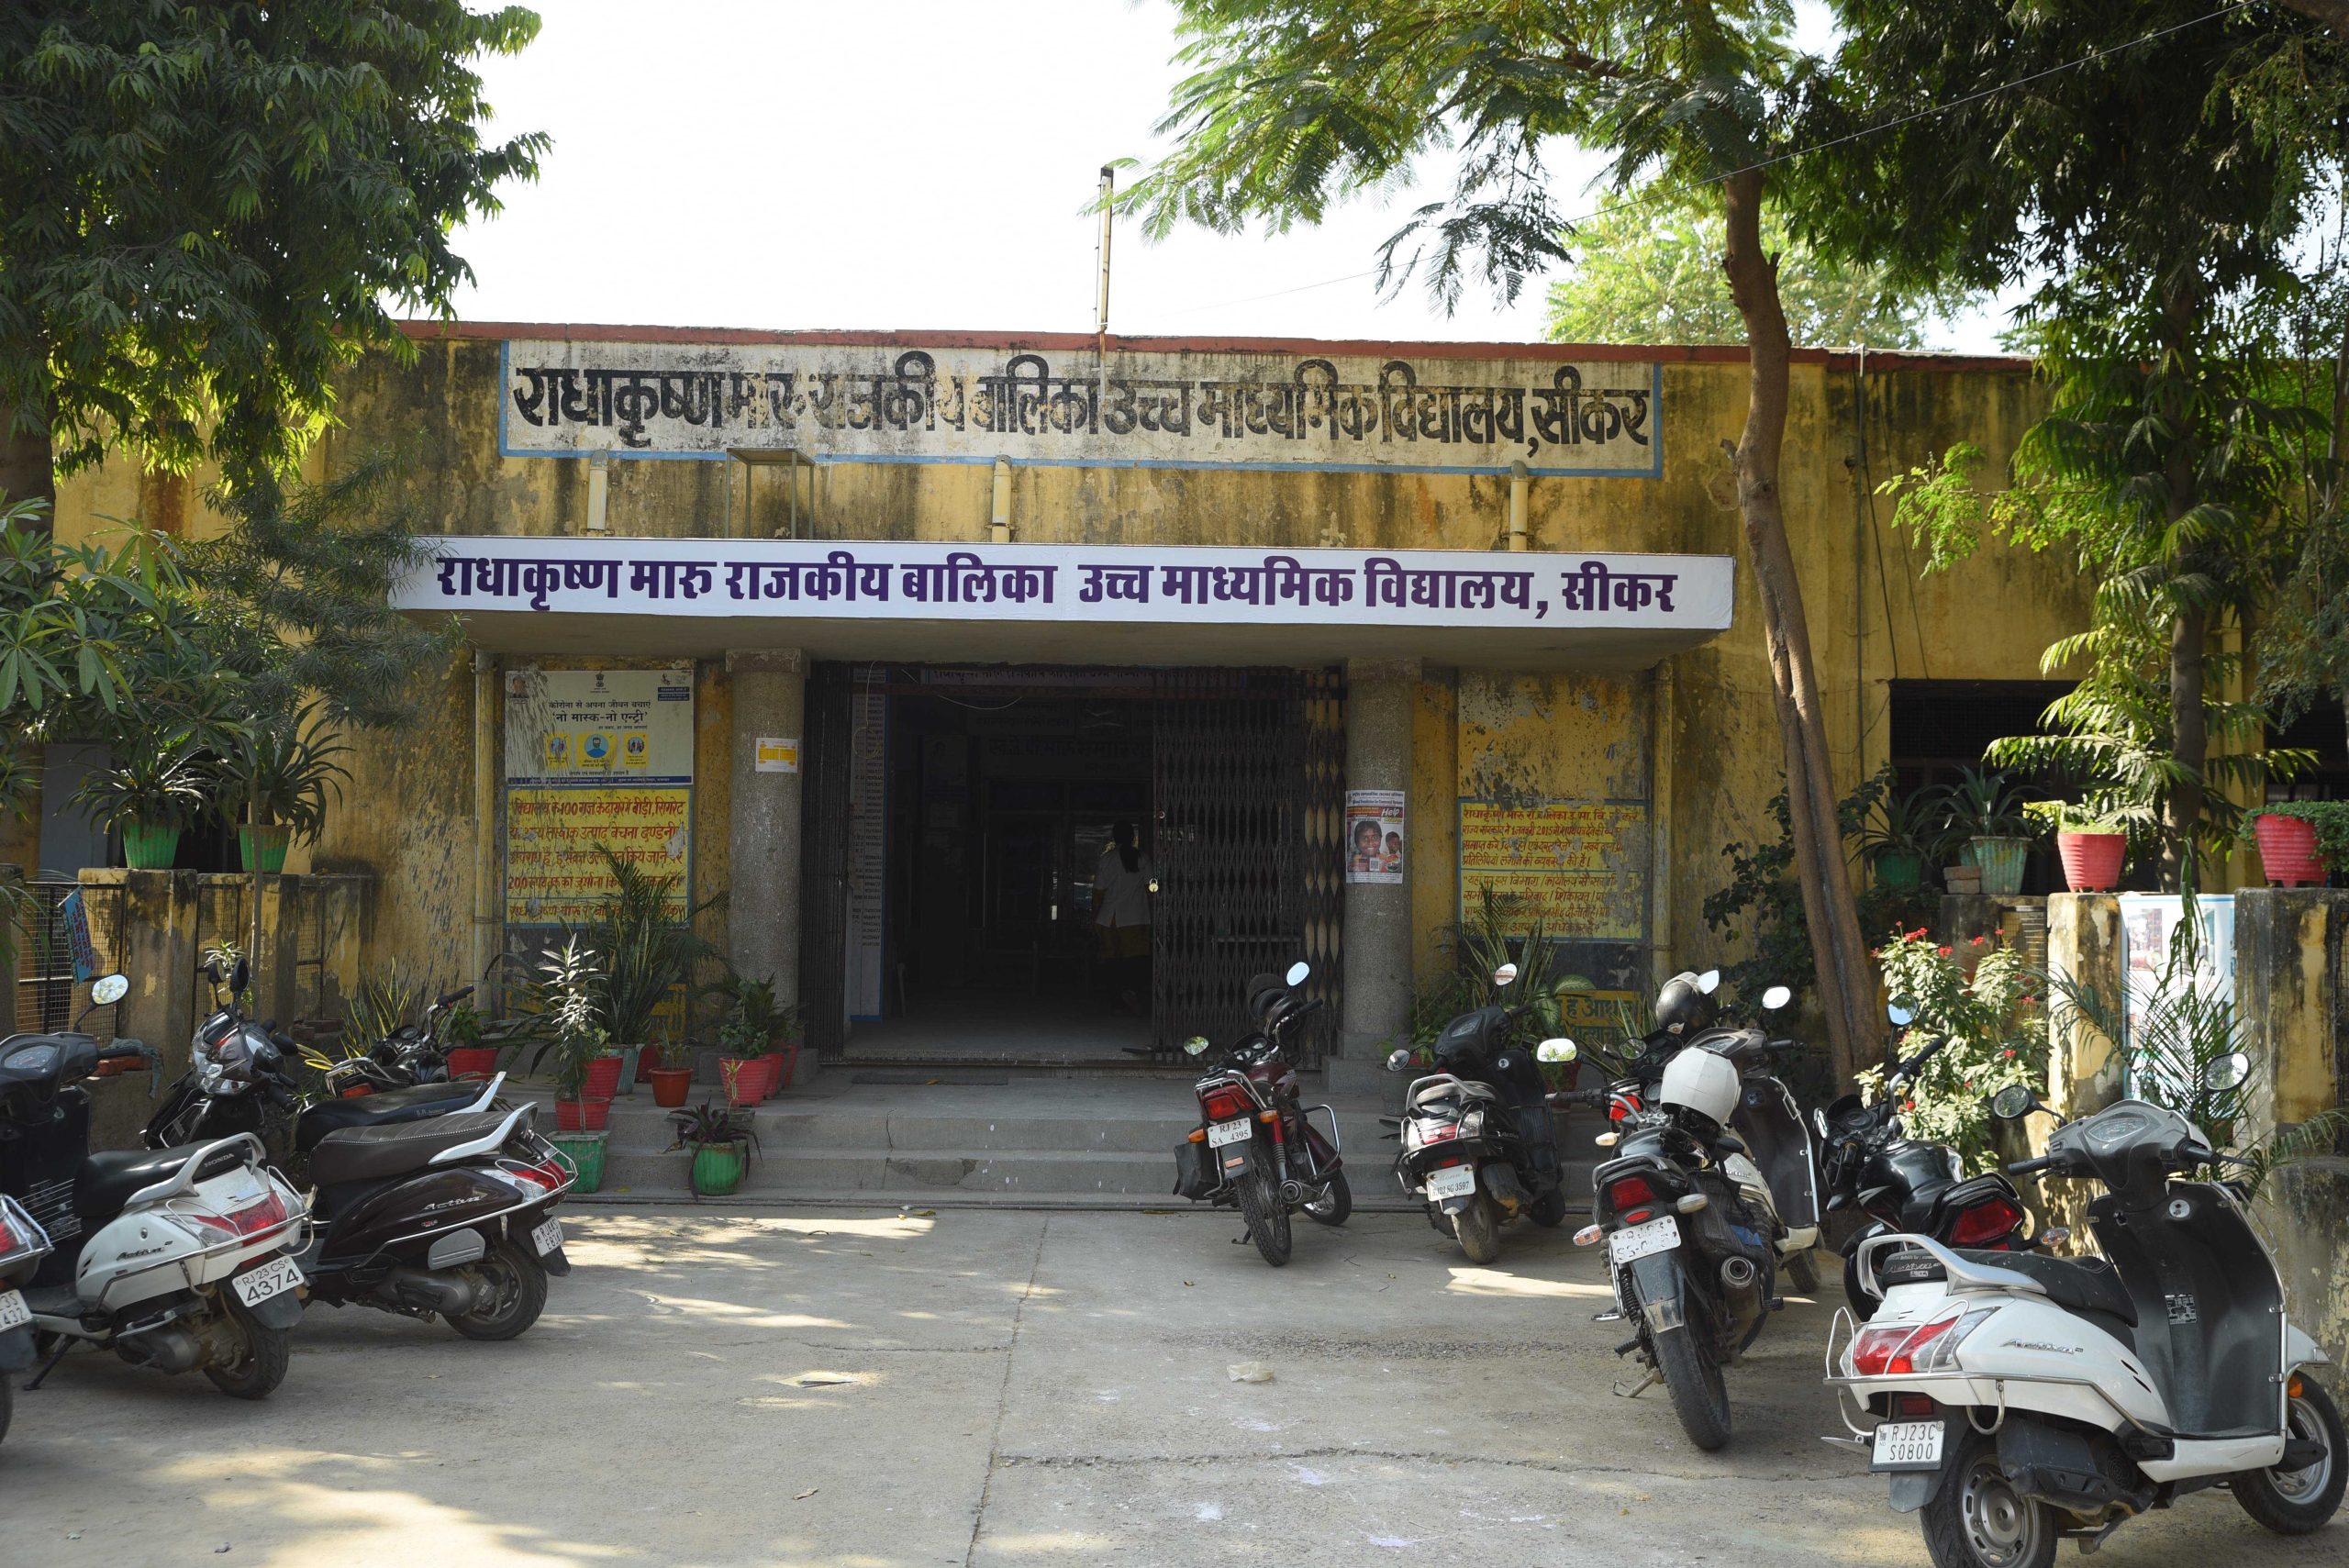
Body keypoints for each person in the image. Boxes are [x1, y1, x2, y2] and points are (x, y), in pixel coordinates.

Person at [1094, 822, 1153, 1015]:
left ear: (1114, 838)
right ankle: (1131, 991)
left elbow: (1099, 891)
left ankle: (1116, 1002)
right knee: (1135, 959)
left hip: (1110, 917)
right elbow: (1151, 887)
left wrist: (1095, 915)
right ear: (1132, 838)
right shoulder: (1142, 858)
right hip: (1135, 917)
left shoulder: (1107, 859)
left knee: (1111, 960)